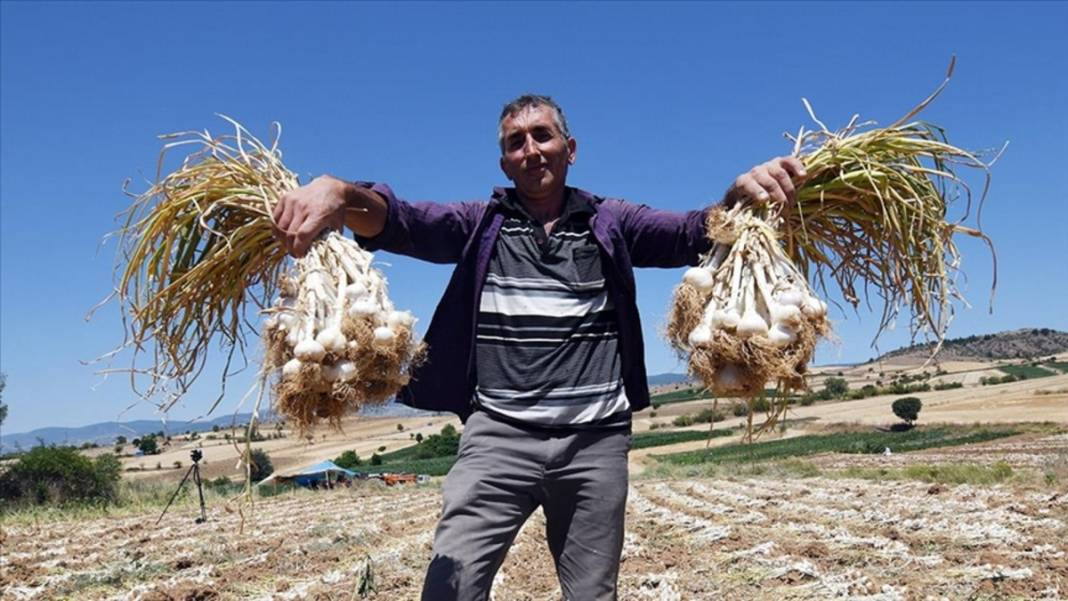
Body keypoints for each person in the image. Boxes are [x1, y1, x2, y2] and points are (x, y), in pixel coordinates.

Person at [272, 94, 805, 600]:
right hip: (497, 439)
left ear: (569, 150)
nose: (530, 150)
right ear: (505, 163)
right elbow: (399, 221)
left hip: (594, 444)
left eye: (542, 136)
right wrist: (341, 194)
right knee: (448, 589)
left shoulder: (612, 222)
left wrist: (741, 195)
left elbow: (696, 231)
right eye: (515, 142)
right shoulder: (480, 226)